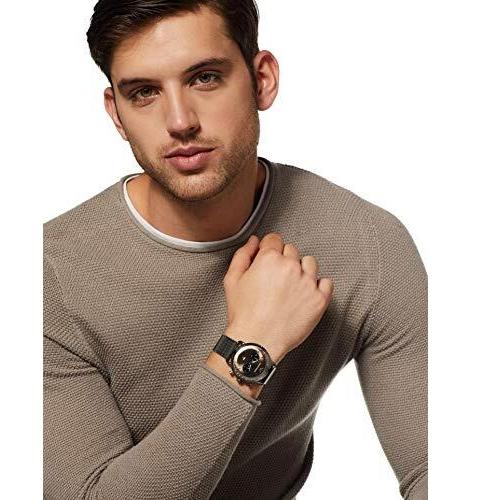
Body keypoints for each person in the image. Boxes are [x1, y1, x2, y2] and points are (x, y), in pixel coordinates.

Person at [43, 1, 428, 499]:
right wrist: (252, 343)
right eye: (144, 93)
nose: (179, 121)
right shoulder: (47, 279)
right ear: (117, 113)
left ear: (262, 80)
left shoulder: (367, 244)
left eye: (205, 78)